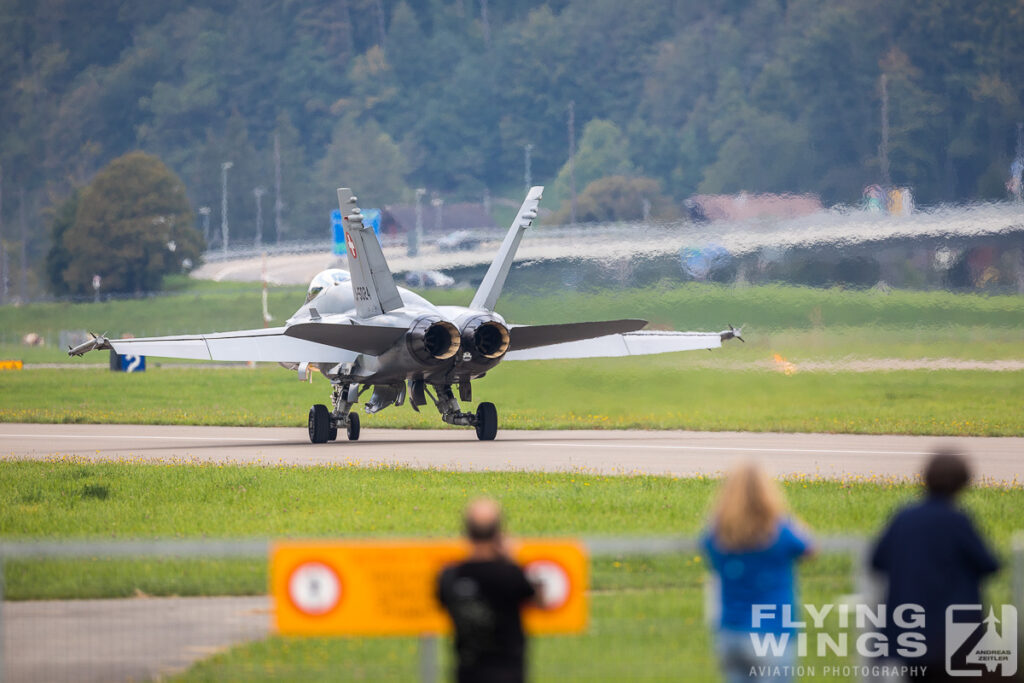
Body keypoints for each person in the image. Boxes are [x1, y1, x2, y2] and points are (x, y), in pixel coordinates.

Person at [870, 449, 1000, 681]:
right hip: (956, 632)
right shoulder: (958, 521)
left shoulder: (904, 517)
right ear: (963, 483)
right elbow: (989, 565)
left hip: (909, 629)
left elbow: (877, 560)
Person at [702, 462, 814, 683]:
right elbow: (809, 548)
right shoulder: (779, 533)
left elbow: (708, 549)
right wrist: (782, 514)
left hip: (731, 634)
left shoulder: (718, 534)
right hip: (770, 636)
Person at [437, 498, 537, 683]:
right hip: (508, 674)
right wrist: (511, 558)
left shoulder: (450, 577)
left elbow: (441, 600)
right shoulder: (510, 575)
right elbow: (536, 597)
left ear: (466, 532)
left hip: (467, 673)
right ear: (498, 533)